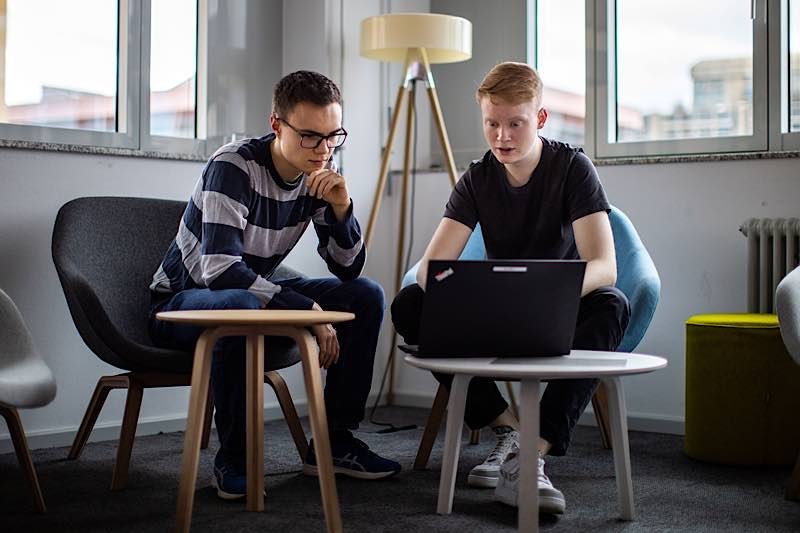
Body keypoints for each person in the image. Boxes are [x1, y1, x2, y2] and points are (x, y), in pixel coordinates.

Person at [149, 70, 401, 500]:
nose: (323, 149)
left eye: (333, 136)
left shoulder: (318, 170)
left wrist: (342, 208)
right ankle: (235, 456)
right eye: (309, 136)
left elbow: (348, 270)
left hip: (253, 295)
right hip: (182, 304)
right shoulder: (233, 166)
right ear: (277, 125)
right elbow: (221, 270)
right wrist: (306, 309)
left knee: (366, 295)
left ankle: (333, 443)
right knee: (239, 302)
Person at [390, 62, 629, 514]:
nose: (502, 136)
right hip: (496, 314)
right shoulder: (477, 178)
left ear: (538, 119)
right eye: (492, 124)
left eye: (515, 123)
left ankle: (530, 453)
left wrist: (548, 291)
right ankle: (508, 428)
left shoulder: (573, 167)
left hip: (558, 309)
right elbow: (430, 267)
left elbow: (605, 267)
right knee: (409, 306)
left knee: (612, 306)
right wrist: (454, 287)